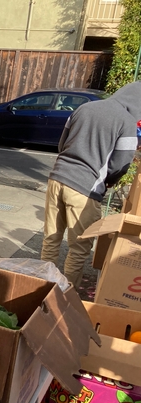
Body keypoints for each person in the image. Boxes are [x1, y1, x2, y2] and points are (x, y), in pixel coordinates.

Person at [41, 81, 141, 288]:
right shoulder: (127, 122)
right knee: (78, 248)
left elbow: (62, 144)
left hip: (57, 178)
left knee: (51, 239)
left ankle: (40, 285)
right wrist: (109, 182)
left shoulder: (84, 107)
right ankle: (64, 296)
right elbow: (121, 164)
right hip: (85, 187)